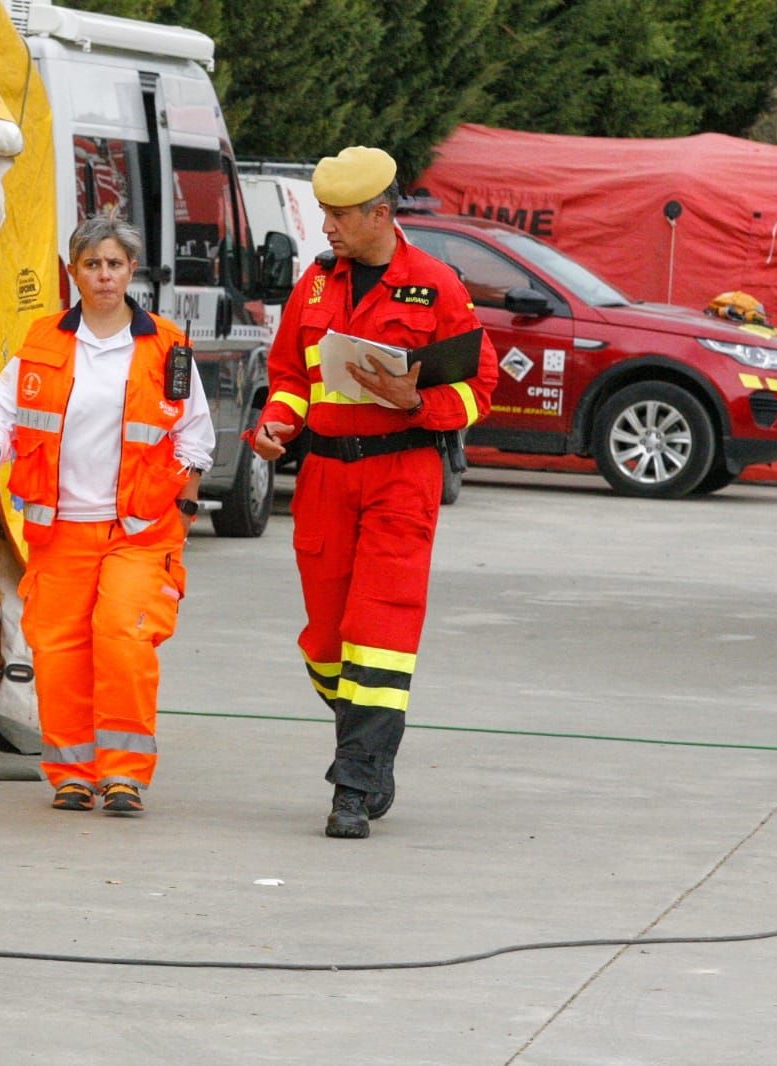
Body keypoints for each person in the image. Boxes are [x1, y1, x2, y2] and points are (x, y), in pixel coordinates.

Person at [248, 146, 498, 840]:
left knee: (378, 633)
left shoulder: (437, 285)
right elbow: (289, 375)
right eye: (324, 213)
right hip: (326, 475)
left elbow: (479, 390)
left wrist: (418, 401)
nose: (325, 226)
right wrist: (275, 425)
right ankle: (370, 748)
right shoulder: (317, 284)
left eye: (337, 215)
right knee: (326, 640)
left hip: (401, 476)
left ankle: (354, 783)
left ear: (380, 214)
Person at [0, 213, 215, 815]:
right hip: (61, 529)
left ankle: (123, 775)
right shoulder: (43, 342)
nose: (104, 276)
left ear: (131, 271)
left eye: (115, 264)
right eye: (92, 264)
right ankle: (72, 774)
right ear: (74, 271)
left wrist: (181, 511)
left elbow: (195, 436)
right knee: (59, 651)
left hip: (140, 529)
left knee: (124, 641)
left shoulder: (166, 346)